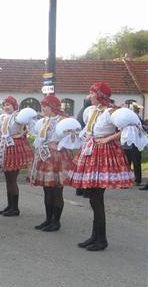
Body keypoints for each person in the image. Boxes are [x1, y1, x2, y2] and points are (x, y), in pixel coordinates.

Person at [66, 82, 135, 251]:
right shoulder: (91, 111)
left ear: (100, 95)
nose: (90, 96)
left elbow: (130, 129)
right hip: (91, 151)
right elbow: (89, 131)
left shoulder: (112, 112)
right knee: (93, 198)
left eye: (92, 93)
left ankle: (101, 239)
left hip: (103, 154)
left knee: (97, 198)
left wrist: (108, 138)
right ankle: (95, 236)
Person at [27, 94, 72, 232]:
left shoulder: (64, 120)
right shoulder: (44, 121)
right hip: (44, 156)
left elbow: (72, 137)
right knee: (47, 189)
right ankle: (48, 219)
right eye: (43, 106)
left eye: (45, 106)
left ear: (52, 107)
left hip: (57, 157)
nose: (43, 109)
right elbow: (38, 136)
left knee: (56, 190)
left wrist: (59, 144)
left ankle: (56, 222)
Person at [0, 96, 33, 216]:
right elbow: (1, 131)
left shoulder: (18, 116)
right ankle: (10, 205)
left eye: (8, 105)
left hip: (15, 147)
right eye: (4, 105)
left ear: (14, 106)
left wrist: (25, 131)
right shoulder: (4, 117)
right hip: (5, 147)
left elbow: (29, 125)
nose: (6, 107)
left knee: (12, 179)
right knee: (8, 178)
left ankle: (15, 208)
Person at [122, 102, 143, 186]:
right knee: (128, 161)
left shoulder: (137, 118)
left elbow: (140, 128)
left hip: (134, 141)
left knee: (134, 161)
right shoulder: (129, 117)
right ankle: (130, 179)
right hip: (128, 141)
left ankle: (136, 179)